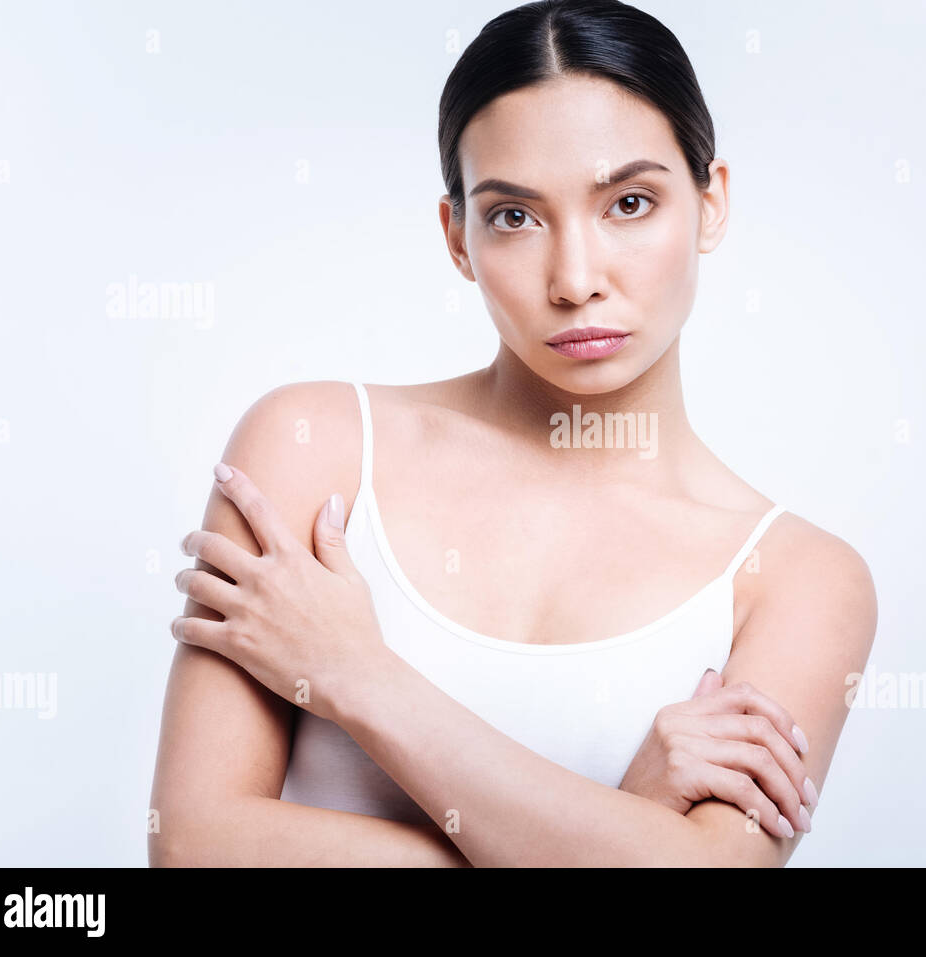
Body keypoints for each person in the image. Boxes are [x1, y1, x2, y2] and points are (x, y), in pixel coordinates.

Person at [148, 0, 876, 867]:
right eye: (514, 217)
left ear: (710, 202)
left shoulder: (798, 580)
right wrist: (623, 830)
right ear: (457, 236)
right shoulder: (314, 449)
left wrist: (359, 675)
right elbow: (191, 846)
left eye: (630, 202)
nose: (575, 279)